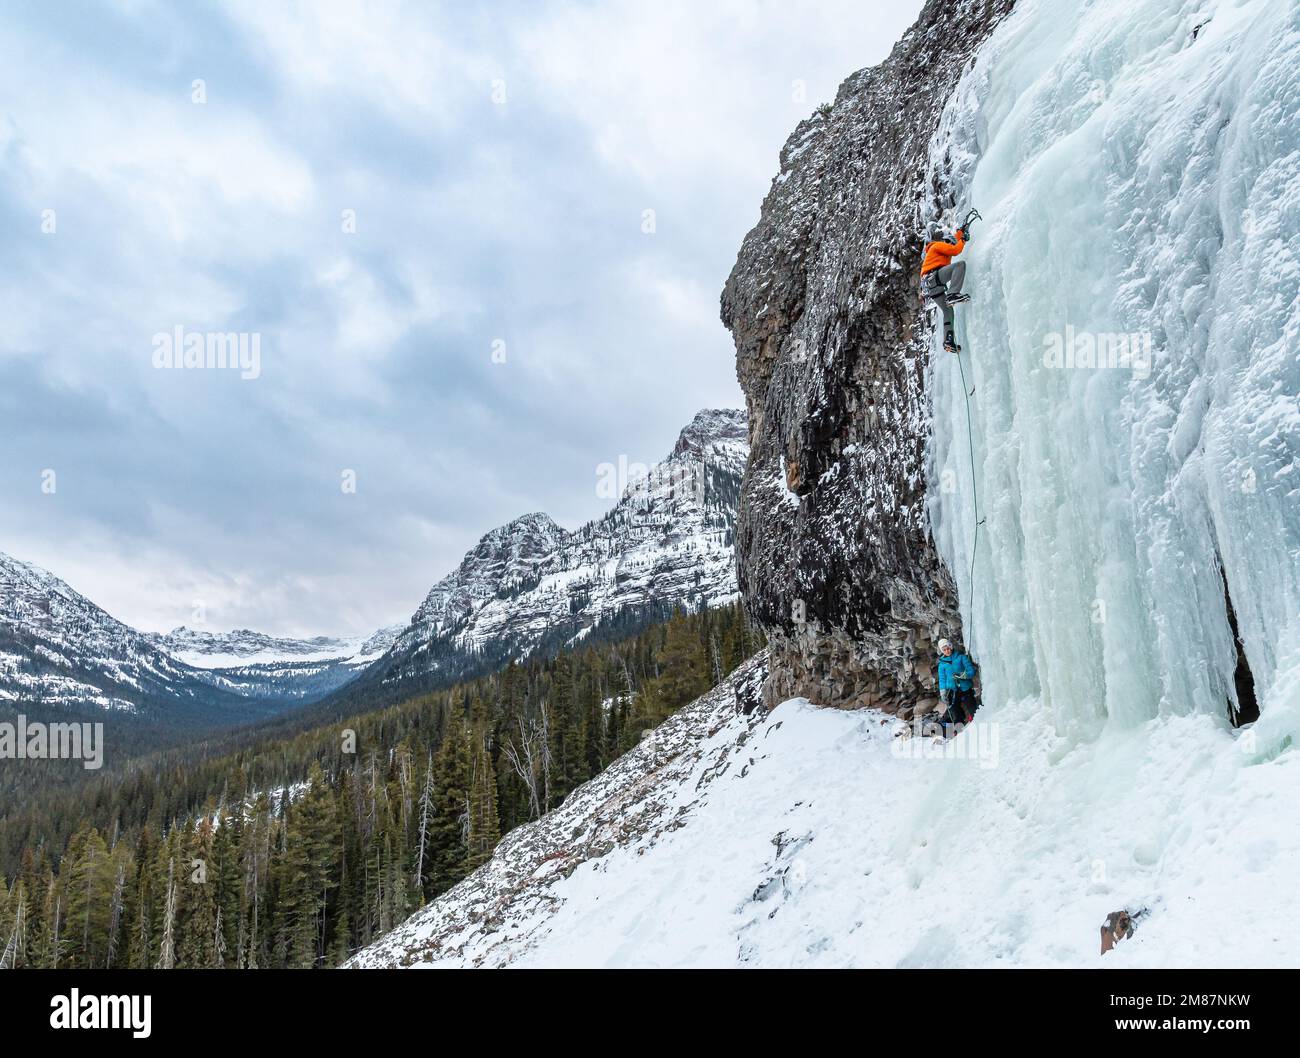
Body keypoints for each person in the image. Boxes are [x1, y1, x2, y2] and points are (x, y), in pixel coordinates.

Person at [920, 223, 971, 353]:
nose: (950, 246)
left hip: (931, 288)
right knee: (960, 265)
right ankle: (953, 293)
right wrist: (963, 240)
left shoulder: (942, 251)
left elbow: (953, 242)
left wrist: (960, 232)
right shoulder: (937, 246)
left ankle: (948, 340)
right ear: (945, 242)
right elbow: (955, 249)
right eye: (949, 243)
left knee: (948, 311)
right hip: (933, 278)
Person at [936, 637, 977, 728]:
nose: (947, 651)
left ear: (951, 647)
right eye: (944, 650)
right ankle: (959, 728)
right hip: (952, 690)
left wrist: (964, 675)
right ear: (942, 651)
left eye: (948, 648)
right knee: (955, 710)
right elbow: (942, 679)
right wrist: (943, 691)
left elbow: (971, 671)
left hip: (965, 687)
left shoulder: (961, 657)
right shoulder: (942, 665)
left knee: (971, 705)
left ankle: (975, 721)